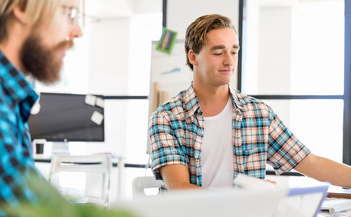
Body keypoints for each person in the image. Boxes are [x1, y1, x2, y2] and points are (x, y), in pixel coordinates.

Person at [149, 14, 351, 190]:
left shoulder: (258, 113)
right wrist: (240, 200)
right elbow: (179, 187)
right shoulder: (166, 118)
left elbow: (308, 162)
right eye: (218, 52)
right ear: (193, 57)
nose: (229, 61)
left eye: (234, 52)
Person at [0, 0, 82, 217]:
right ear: (22, 7)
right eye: (68, 13)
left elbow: (33, 195)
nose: (77, 31)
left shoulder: (9, 98)